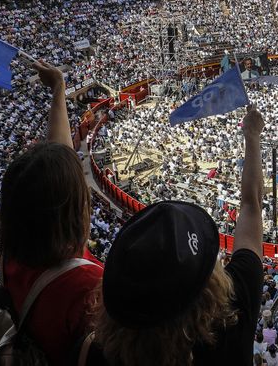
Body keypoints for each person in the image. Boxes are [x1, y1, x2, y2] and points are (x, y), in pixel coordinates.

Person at [88, 106, 265, 366]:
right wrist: (252, 136)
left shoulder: (100, 353)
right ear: (208, 286)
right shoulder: (233, 315)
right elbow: (251, 205)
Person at [0, 61, 102, 366]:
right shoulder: (88, 282)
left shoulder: (13, 253)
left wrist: (59, 90)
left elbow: (59, 167)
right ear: (71, 213)